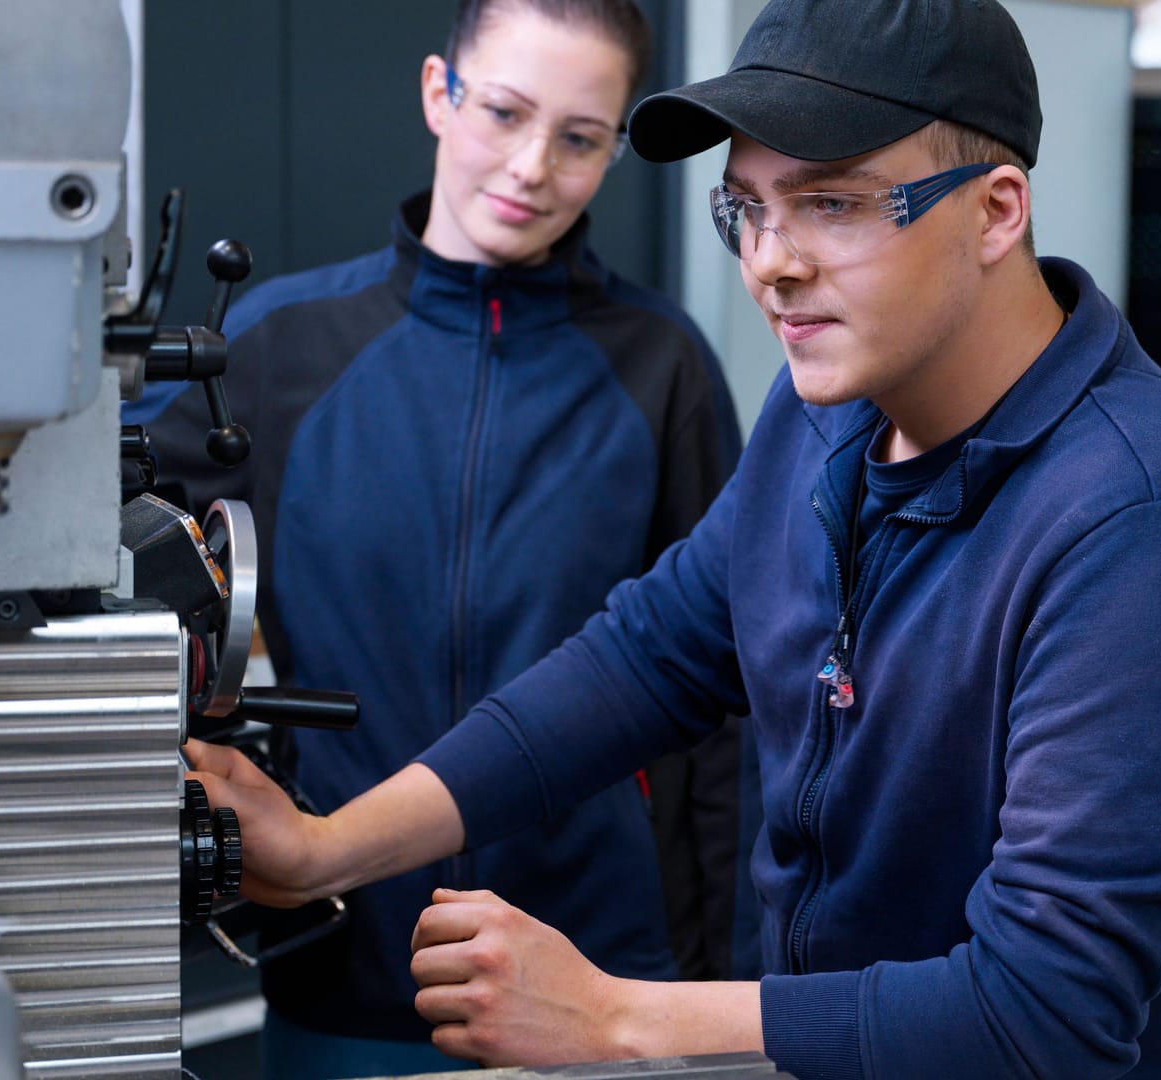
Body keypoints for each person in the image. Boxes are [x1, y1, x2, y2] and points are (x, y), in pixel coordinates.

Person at [187, 0, 1161, 1076]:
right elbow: (646, 660)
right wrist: (331, 846)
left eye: (834, 206)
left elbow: (1046, 1014)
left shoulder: (1144, 524)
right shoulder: (826, 421)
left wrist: (617, 1018)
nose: (771, 263)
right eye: (748, 209)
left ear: (996, 212)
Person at [131, 1, 748, 1075]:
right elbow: (89, 545)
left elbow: (726, 709)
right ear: (437, 92)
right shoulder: (275, 349)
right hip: (343, 961)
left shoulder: (663, 367)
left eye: (578, 137)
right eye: (503, 112)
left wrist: (701, 986)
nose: (530, 165)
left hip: (595, 980)